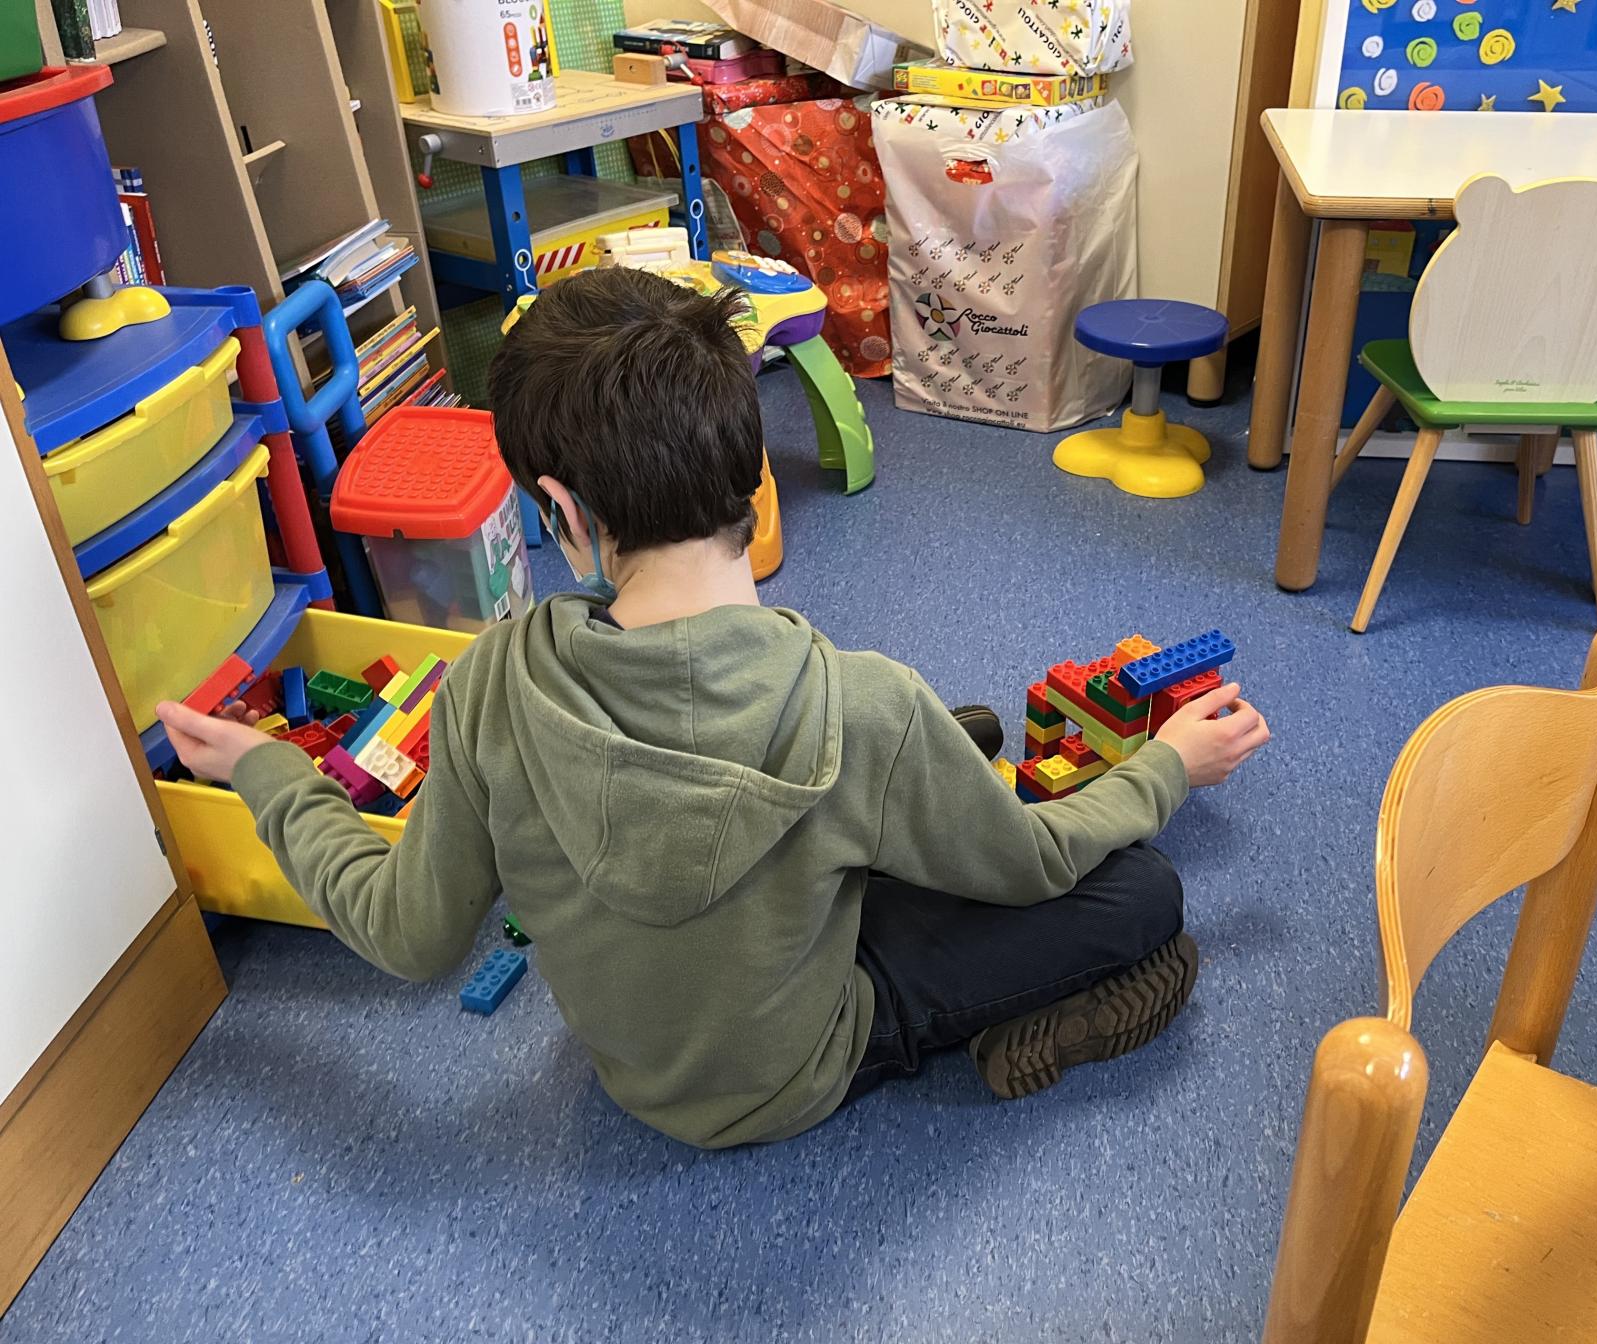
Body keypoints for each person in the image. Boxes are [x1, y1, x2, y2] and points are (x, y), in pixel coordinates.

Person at [157, 268, 1270, 1150]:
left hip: (639, 1077)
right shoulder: (859, 701)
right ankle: (1025, 1024)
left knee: (941, 745)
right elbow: (1032, 865)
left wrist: (266, 772)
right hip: (801, 1070)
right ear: (750, 472)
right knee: (1142, 892)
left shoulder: (490, 681)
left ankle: (915, 824)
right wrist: (1168, 763)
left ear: (562, 512)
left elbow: (408, 933)